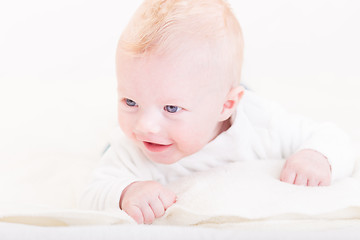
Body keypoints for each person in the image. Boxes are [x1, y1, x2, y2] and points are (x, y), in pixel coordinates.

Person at [80, 0, 355, 224]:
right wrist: (127, 191)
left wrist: (317, 157)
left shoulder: (262, 124)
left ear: (227, 106)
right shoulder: (132, 147)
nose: (145, 125)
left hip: (237, 103)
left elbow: (333, 138)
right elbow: (92, 193)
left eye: (171, 108)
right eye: (130, 101)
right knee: (110, 144)